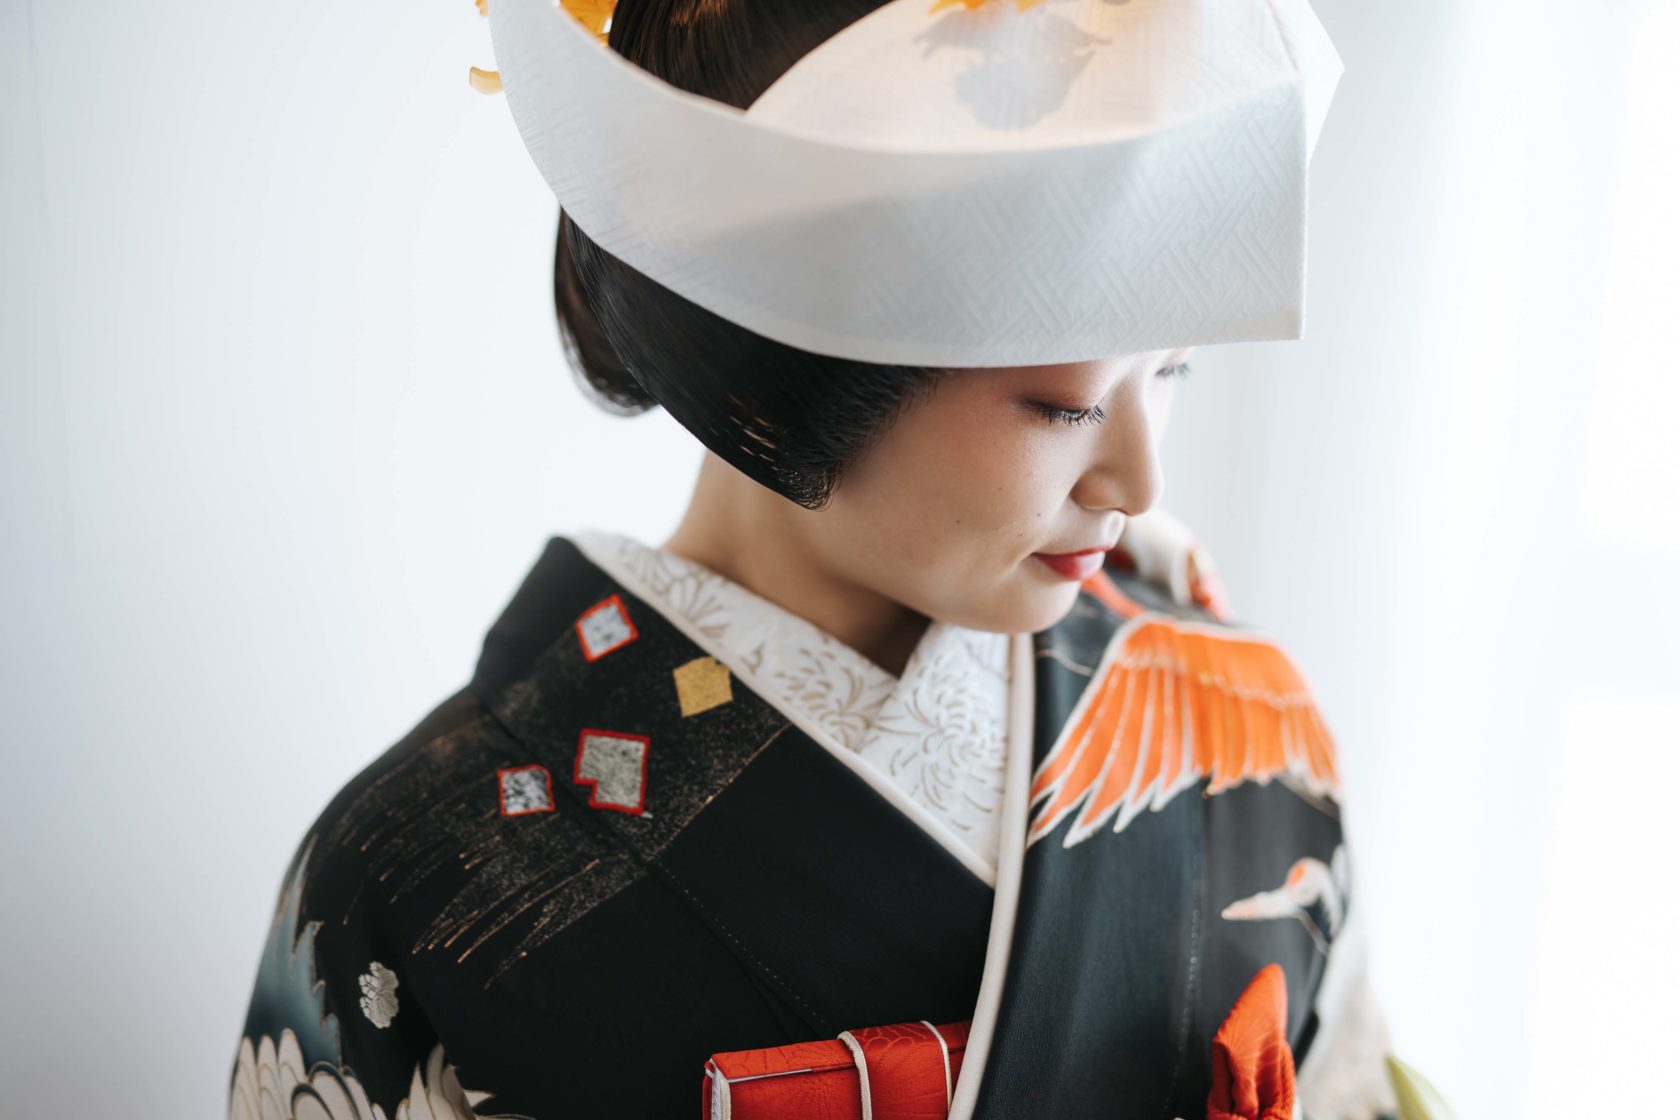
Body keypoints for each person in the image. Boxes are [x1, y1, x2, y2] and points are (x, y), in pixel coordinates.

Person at [229, 0, 1401, 1117]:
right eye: (1064, 404)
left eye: (1175, 369)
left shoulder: (1246, 727)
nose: (1139, 483)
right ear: (781, 351)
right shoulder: (415, 873)